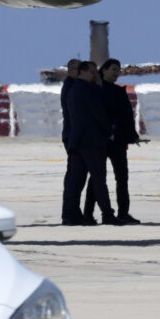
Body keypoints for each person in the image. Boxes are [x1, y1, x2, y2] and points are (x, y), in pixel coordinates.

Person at [60, 60, 112, 225]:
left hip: (77, 139)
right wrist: (109, 131)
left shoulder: (74, 88)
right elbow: (98, 114)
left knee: (76, 180)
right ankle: (106, 214)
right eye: (92, 72)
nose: (95, 75)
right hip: (88, 140)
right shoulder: (83, 89)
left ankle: (73, 215)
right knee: (95, 178)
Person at [100, 59, 142, 225]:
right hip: (102, 141)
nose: (116, 73)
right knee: (97, 179)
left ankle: (123, 212)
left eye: (118, 70)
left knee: (122, 178)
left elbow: (127, 118)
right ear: (103, 70)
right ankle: (90, 213)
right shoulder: (97, 90)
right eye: (113, 70)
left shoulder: (119, 91)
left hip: (118, 142)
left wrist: (132, 136)